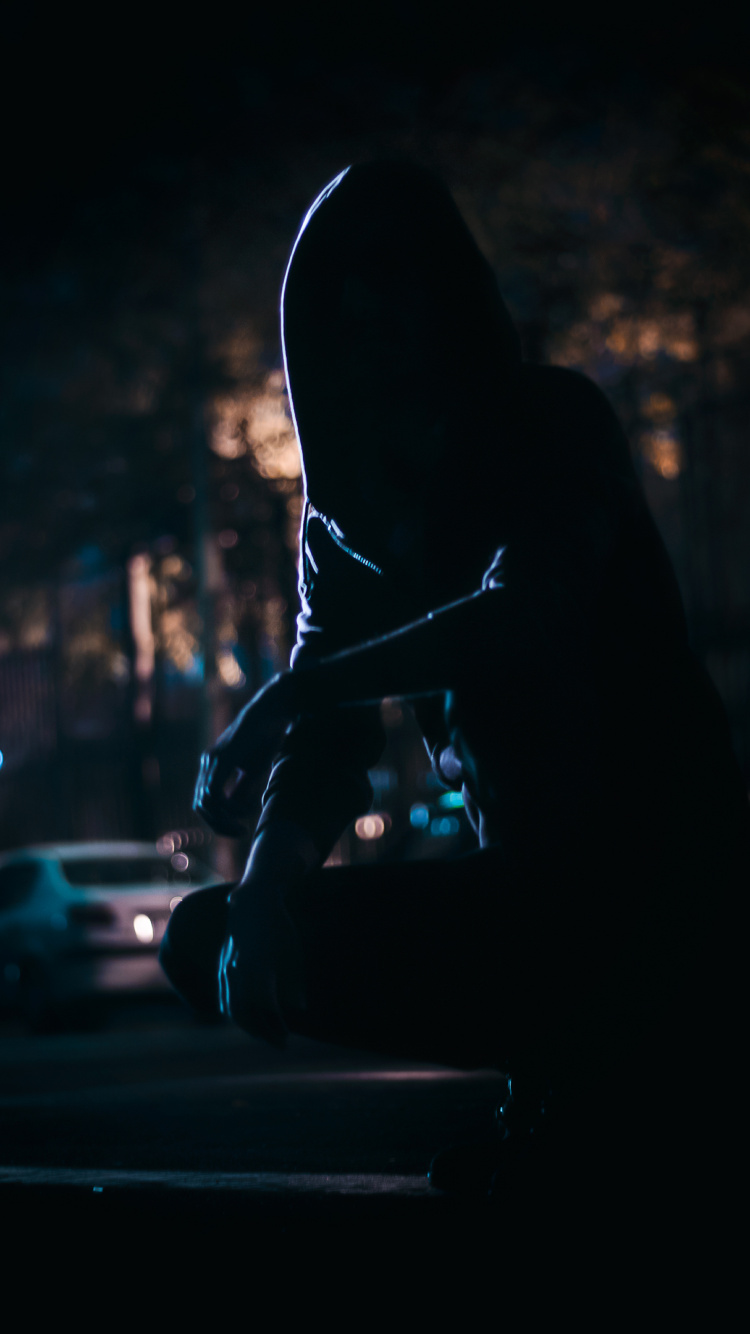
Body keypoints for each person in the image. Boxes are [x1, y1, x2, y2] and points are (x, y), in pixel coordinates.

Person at [160, 161, 749, 1199]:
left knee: (616, 921)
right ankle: (565, 1077)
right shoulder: (342, 526)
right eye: (354, 323)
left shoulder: (553, 422)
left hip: (658, 873)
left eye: (404, 307)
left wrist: (292, 693)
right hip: (522, 890)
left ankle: (639, 1074)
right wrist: (262, 892)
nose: (384, 343)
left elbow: (525, 616)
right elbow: (328, 751)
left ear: (449, 307)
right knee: (205, 936)